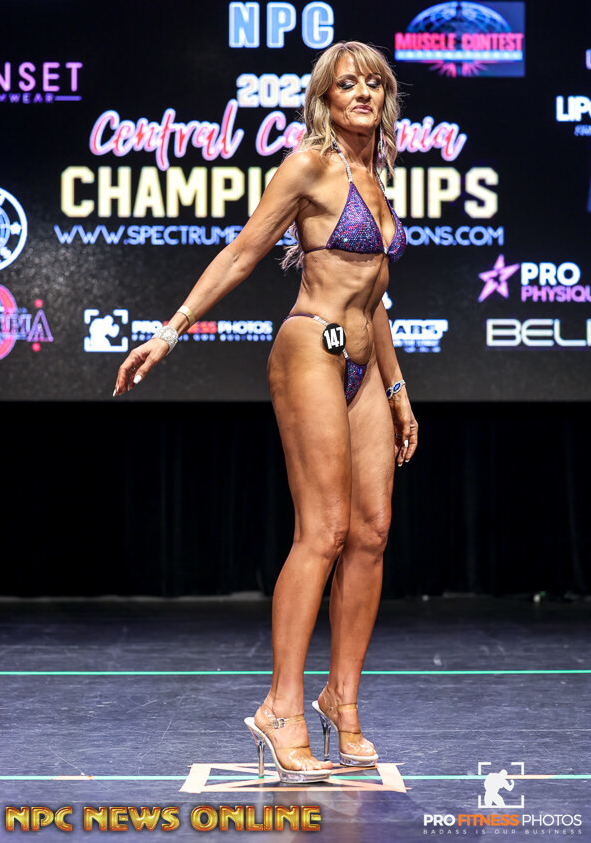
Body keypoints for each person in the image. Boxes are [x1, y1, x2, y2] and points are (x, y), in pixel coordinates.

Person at [113, 41, 418, 783]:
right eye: (346, 84)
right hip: (311, 348)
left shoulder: (378, 176)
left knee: (372, 532)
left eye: (373, 84)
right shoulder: (309, 166)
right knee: (325, 529)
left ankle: (340, 700)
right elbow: (242, 253)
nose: (362, 93)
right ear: (324, 100)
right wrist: (170, 331)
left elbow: (374, 299)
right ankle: (280, 708)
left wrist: (397, 390)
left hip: (364, 363)